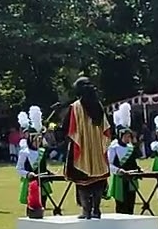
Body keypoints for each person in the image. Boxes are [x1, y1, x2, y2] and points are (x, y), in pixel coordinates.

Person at [51, 76, 113, 220]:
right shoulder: (99, 106)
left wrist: (55, 129)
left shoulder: (75, 107)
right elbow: (106, 127)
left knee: (82, 181)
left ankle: (86, 211)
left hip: (82, 149)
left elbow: (67, 128)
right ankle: (96, 210)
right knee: (98, 180)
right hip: (97, 149)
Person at [106, 104, 140, 215]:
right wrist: (118, 170)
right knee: (121, 206)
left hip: (131, 179)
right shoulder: (113, 147)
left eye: (129, 136)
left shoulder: (131, 147)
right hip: (119, 179)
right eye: (125, 136)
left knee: (131, 204)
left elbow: (133, 162)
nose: (127, 138)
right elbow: (109, 164)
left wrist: (137, 169)